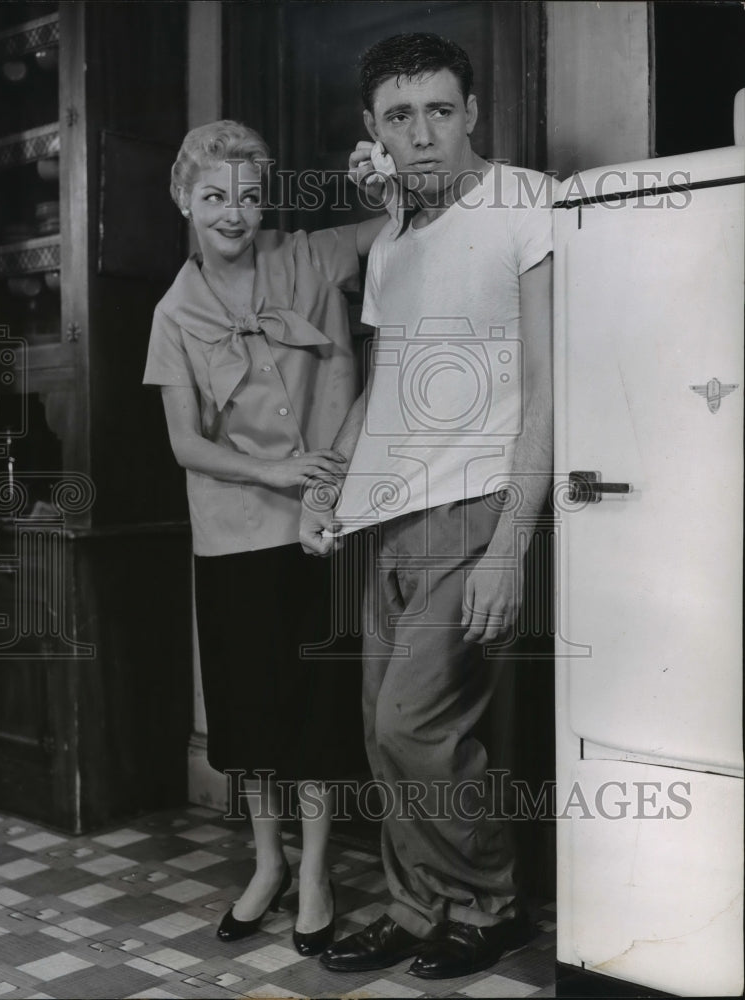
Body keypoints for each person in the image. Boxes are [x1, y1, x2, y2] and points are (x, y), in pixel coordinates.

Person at [300, 33, 554, 979]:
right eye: (400, 117)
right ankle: (416, 911)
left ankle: (490, 905)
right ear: (373, 131)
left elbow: (545, 385)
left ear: (473, 112)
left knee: (417, 726)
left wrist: (508, 548)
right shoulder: (395, 239)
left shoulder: (528, 201)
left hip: (476, 505)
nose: (423, 133)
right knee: (384, 733)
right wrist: (329, 488)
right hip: (388, 517)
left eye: (440, 110)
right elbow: (381, 388)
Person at [143, 120, 386, 956]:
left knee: (316, 709)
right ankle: (267, 864)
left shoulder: (311, 258)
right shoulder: (173, 313)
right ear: (184, 199)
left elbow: (398, 225)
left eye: (248, 195)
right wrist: (271, 474)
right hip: (233, 532)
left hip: (320, 524)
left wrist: (381, 176)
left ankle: (315, 873)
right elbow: (185, 443)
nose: (234, 213)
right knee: (250, 715)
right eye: (214, 196)